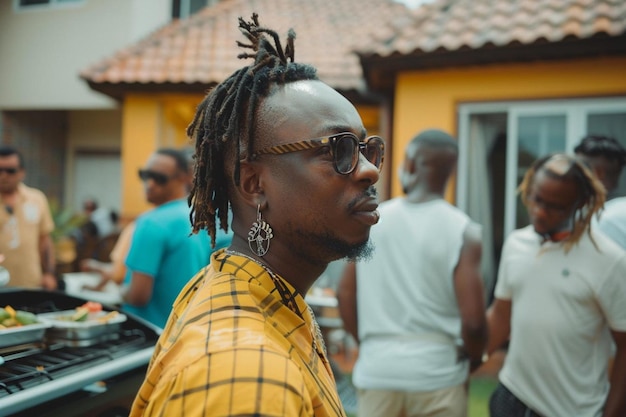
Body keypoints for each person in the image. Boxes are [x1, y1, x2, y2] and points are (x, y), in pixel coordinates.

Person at [129, 14, 384, 417]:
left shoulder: (249, 287)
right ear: (254, 184)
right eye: (338, 148)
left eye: (369, 150)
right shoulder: (245, 373)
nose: (369, 170)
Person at [337, 129, 487, 417]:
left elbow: (345, 294)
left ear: (412, 165)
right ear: (450, 171)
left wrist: (369, 343)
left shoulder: (372, 221)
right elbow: (475, 325)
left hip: (378, 370)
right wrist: (474, 359)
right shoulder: (464, 231)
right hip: (438, 375)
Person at [487, 153, 626, 417]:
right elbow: (501, 315)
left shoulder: (610, 261)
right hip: (511, 397)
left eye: (555, 206)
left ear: (581, 203)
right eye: (536, 199)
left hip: (572, 410)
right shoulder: (517, 244)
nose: (539, 212)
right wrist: (465, 362)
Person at [121, 147, 231, 328]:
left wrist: (119, 293)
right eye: (145, 175)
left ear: (184, 178)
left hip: (146, 333)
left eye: (160, 178)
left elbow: (138, 296)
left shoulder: (151, 222)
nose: (150, 184)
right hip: (185, 330)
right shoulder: (199, 218)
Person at [0, 145, 57, 290]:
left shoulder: (36, 199)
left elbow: (45, 240)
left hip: (30, 284)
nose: (4, 175)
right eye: (0, 170)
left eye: (10, 171)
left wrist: (49, 273)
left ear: (22, 173)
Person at [574, 134, 626, 249]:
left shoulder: (607, 220)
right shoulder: (588, 212)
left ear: (598, 173)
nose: (572, 174)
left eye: (578, 168)